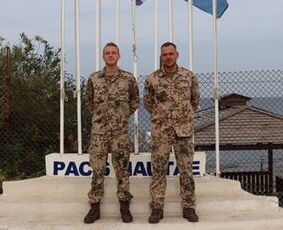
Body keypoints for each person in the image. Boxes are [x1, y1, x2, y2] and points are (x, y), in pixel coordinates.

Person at [144, 42, 201, 223]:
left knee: (186, 169)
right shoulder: (152, 79)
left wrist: (182, 116)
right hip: (161, 131)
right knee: (158, 169)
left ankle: (189, 206)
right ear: (161, 57)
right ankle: (157, 207)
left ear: (177, 54)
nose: (168, 57)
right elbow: (148, 102)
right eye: (165, 54)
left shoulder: (189, 77)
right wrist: (162, 117)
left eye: (171, 54)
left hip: (183, 130)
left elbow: (195, 100)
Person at [83, 42, 139, 224]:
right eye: (107, 53)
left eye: (113, 52)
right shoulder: (93, 78)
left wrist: (121, 116)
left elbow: (135, 101)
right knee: (97, 170)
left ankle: (124, 205)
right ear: (103, 56)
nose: (110, 55)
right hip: (99, 133)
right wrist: (101, 118)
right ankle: (94, 207)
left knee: (122, 170)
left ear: (119, 55)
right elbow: (89, 102)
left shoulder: (128, 79)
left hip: (120, 133)